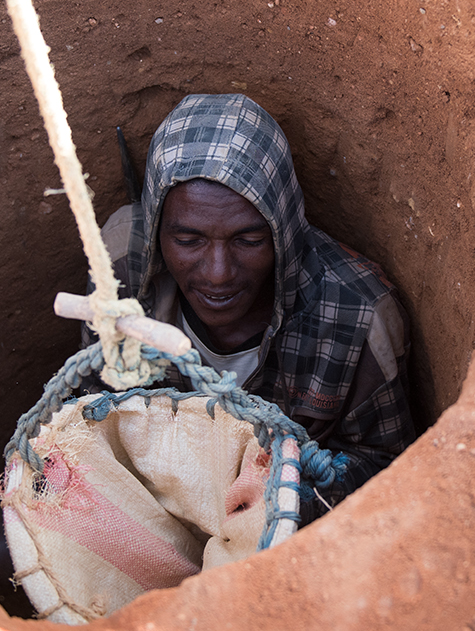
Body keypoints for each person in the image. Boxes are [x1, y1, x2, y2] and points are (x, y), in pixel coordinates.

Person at [90, 93, 416, 510]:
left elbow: (388, 466)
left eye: (249, 240)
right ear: (156, 231)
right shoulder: (122, 266)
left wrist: (283, 491)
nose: (218, 272)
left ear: (284, 231)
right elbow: (91, 407)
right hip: (155, 502)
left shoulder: (355, 315)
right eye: (188, 240)